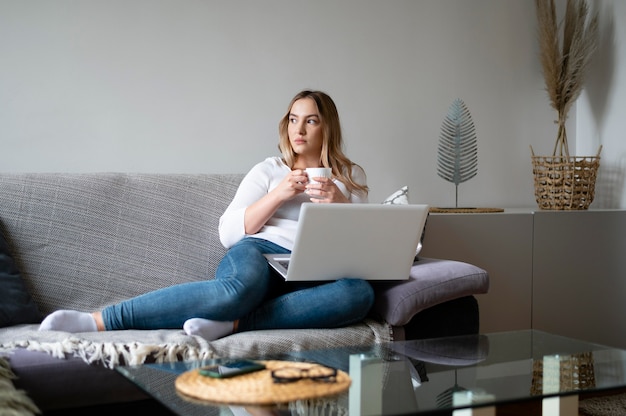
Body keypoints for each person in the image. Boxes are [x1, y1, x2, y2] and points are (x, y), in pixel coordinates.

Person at [39, 90, 375, 341]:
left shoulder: (349, 177)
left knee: (359, 294)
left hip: (316, 268)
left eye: (311, 120)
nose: (298, 129)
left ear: (326, 126)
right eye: (293, 119)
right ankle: (98, 321)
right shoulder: (269, 170)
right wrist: (279, 194)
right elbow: (229, 233)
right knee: (236, 290)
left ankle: (232, 325)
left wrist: (338, 203)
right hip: (260, 254)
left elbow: (364, 251)